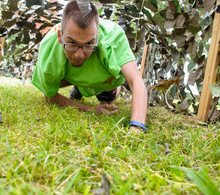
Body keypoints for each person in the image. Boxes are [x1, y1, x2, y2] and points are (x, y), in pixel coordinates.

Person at [32, 0, 147, 132]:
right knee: (57, 82)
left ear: (97, 38)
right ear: (60, 36)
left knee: (109, 99)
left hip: (105, 80)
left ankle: (111, 86)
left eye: (89, 44)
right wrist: (90, 109)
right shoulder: (49, 48)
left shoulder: (113, 37)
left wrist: (136, 128)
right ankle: (79, 86)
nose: (79, 55)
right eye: (72, 43)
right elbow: (50, 96)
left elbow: (136, 81)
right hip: (70, 75)